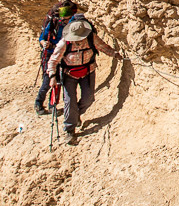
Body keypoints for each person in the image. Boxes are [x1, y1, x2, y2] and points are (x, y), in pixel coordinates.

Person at [47, 12, 123, 144]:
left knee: (89, 98)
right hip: (68, 74)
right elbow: (53, 61)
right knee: (70, 101)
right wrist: (52, 76)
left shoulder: (90, 38)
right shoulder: (65, 42)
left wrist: (115, 54)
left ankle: (75, 115)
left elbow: (103, 47)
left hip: (88, 72)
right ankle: (70, 129)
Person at [34, 0, 76, 115]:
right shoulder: (54, 23)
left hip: (62, 53)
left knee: (58, 80)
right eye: (65, 19)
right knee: (48, 79)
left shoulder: (71, 22)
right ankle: (39, 103)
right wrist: (43, 43)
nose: (66, 21)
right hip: (50, 53)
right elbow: (42, 37)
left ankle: (52, 105)